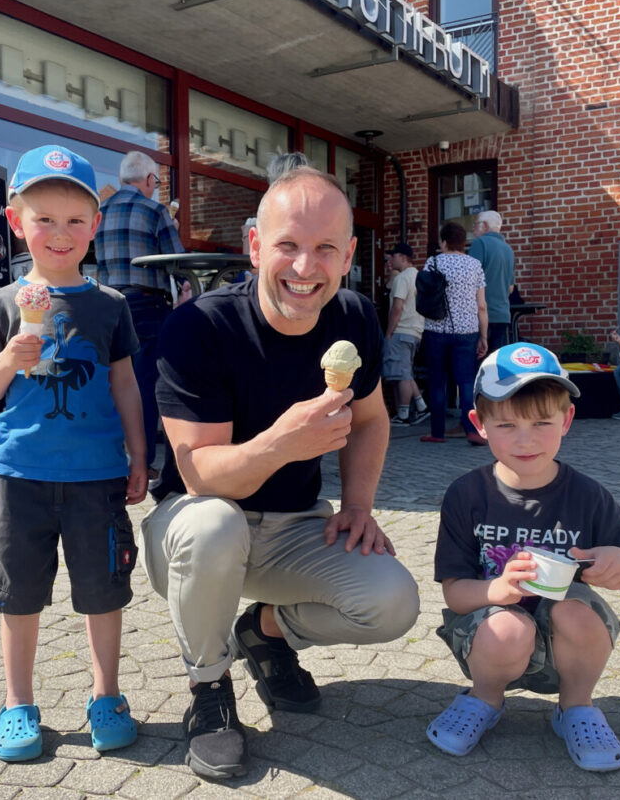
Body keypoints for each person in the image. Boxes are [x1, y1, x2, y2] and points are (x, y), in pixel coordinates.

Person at [140, 167, 420, 780]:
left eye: (325, 248)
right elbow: (199, 475)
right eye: (287, 244)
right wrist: (279, 443)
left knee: (393, 602)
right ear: (255, 245)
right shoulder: (200, 326)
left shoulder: (355, 317)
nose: (304, 267)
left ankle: (265, 631)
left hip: (295, 526)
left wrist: (358, 506)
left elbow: (371, 418)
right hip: (196, 528)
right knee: (214, 525)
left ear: (348, 255)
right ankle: (209, 690)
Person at [0, 144, 147, 762]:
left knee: (104, 590)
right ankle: (17, 703)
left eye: (74, 220)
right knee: (17, 594)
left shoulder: (110, 306)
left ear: (95, 226)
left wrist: (139, 456)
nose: (61, 233)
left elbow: (125, 385)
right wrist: (10, 357)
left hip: (98, 476)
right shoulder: (1, 305)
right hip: (21, 476)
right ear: (17, 223)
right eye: (44, 219)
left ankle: (106, 695)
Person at [427, 343, 620, 769]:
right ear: (479, 424)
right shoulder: (467, 495)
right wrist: (498, 589)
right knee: (508, 627)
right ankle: (485, 699)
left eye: (542, 422)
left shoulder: (587, 496)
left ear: (566, 420)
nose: (526, 439)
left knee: (576, 611)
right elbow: (455, 594)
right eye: (506, 424)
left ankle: (576, 707)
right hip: (491, 641)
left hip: (568, 648)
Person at [94, 150, 186, 475]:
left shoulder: (99, 211)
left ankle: (111, 459)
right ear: (148, 179)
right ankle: (142, 463)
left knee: (112, 384)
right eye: (156, 182)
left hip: (107, 305)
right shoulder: (155, 210)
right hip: (147, 305)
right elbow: (178, 261)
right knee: (145, 385)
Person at [419, 221, 489, 445]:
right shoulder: (475, 265)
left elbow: (424, 294)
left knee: (437, 381)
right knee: (466, 381)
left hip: (436, 329)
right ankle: (472, 430)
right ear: (463, 242)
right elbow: (482, 305)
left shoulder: (433, 262)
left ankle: (437, 433)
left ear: (444, 242)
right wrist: (483, 336)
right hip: (467, 331)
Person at [383, 241, 429, 425]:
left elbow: (397, 307)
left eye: (393, 256)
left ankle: (403, 415)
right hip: (416, 331)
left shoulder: (402, 278)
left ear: (402, 257)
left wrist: (389, 332)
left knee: (402, 375)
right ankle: (421, 405)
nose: (390, 260)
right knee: (406, 372)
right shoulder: (418, 276)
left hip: (401, 330)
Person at [467, 211, 515, 351]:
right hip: (503, 315)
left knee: (478, 359)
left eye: (476, 224)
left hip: (481, 316)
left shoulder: (479, 243)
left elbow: (469, 280)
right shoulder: (508, 249)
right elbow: (510, 288)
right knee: (495, 360)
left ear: (485, 226)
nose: (473, 229)